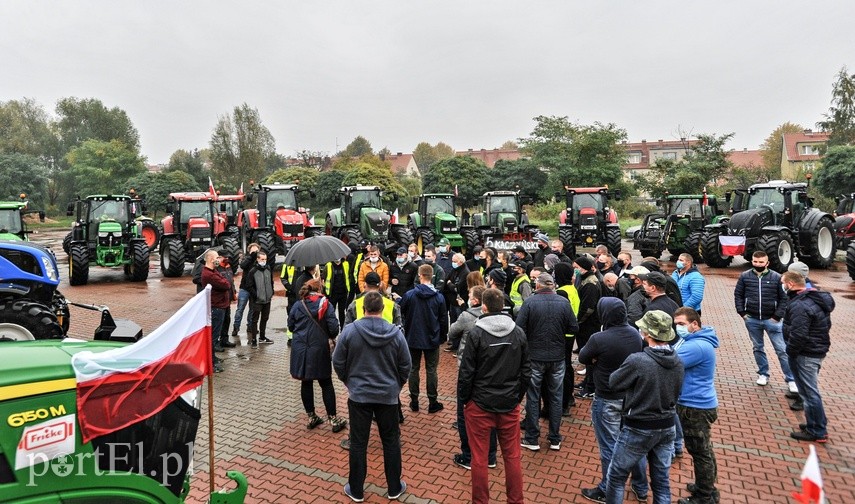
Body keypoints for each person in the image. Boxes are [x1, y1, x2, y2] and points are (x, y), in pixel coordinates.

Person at [333, 291, 411, 502]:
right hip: (387, 396)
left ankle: (356, 490)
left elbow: (338, 361)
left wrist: (348, 381)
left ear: (363, 308)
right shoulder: (395, 333)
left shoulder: (350, 331)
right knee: (391, 442)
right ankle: (394, 487)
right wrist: (397, 386)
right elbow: (406, 365)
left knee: (358, 443)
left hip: (359, 396)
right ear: (383, 309)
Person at [459, 288, 531, 504]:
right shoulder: (518, 332)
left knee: (479, 458)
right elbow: (526, 370)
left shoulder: (476, 333)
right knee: (512, 457)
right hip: (508, 403)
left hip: (480, 404)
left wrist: (466, 400)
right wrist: (517, 397)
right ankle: (515, 500)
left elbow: (466, 372)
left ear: (484, 306)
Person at [606, 310, 684, 504]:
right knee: (661, 480)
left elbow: (614, 382)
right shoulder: (678, 361)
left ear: (649, 333)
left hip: (639, 426)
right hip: (667, 425)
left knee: (616, 476)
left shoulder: (638, 360)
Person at [579, 298, 648, 503]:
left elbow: (583, 357)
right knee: (634, 444)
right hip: (630, 398)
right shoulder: (635, 334)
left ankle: (606, 488)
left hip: (607, 398)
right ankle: (640, 486)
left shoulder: (599, 338)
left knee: (609, 446)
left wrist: (596, 359)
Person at [516, 273, 578, 451]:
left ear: (538, 285)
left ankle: (532, 438)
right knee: (556, 396)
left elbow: (519, 328)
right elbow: (574, 327)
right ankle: (555, 438)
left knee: (533, 397)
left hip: (535, 357)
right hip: (557, 357)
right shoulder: (563, 303)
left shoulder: (530, 302)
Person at [673, 307, 721, 504]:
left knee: (700, 452)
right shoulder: (695, 341)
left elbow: (670, 362)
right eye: (676, 325)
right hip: (697, 403)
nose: (679, 328)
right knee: (704, 450)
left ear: (695, 324)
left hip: (694, 406)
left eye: (682, 324)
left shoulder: (696, 346)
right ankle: (707, 487)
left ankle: (704, 496)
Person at [781, 271, 834, 443]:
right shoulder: (815, 299)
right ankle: (815, 422)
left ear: (790, 284)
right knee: (806, 391)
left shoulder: (799, 305)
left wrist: (791, 350)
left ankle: (817, 431)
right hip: (815, 349)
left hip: (805, 353)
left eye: (783, 283)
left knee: (809, 393)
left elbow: (799, 333)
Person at [288, 279, 346, 433]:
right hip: (319, 348)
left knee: (305, 382)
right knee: (326, 383)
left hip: (300, 348)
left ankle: (311, 416)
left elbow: (290, 326)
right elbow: (333, 329)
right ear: (320, 289)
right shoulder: (326, 304)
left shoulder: (298, 304)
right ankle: (333, 419)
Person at [450, 286, 498, 470]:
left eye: (469, 296)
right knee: (490, 414)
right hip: (491, 372)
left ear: (477, 301)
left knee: (464, 413)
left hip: (468, 371)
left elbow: (452, 332)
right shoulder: (503, 321)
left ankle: (468, 455)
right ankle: (491, 456)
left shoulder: (467, 317)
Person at [734, 251, 796, 393]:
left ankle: (791, 379)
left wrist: (777, 316)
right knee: (758, 348)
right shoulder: (745, 276)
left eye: (761, 262)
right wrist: (742, 313)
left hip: (772, 320)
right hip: (752, 319)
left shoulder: (776, 277)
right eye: (755, 262)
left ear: (767, 263)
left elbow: (784, 299)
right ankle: (763, 373)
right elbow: (738, 295)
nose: (758, 264)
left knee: (781, 350)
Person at [400, 264, 448, 413]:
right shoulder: (439, 297)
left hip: (413, 337)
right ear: (432, 276)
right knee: (431, 370)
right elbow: (443, 319)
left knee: (413, 369)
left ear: (420, 275)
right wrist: (442, 336)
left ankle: (414, 400)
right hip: (432, 338)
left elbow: (402, 313)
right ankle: (432, 401)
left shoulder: (410, 295)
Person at [574, 255, 601, 395]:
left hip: (588, 325)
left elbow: (588, 308)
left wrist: (578, 321)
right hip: (585, 324)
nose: (575, 271)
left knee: (590, 357)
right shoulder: (585, 280)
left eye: (577, 268)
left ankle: (590, 387)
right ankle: (587, 381)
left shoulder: (590, 283)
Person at [200, 249, 229, 373]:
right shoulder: (209, 275)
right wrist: (225, 281)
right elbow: (225, 284)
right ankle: (211, 363)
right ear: (212, 259)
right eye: (217, 258)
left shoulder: (213, 271)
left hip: (220, 306)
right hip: (216, 308)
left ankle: (213, 358)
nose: (219, 260)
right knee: (213, 337)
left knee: (214, 336)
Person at [244, 250, 275, 348]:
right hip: (257, 300)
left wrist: (271, 292)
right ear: (257, 259)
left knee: (265, 319)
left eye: (265, 259)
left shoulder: (268, 269)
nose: (264, 261)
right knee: (254, 320)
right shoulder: (253, 271)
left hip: (267, 299)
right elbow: (249, 286)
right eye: (262, 259)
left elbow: (271, 281)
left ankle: (262, 337)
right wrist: (256, 295)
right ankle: (253, 339)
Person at [232, 242, 260, 341]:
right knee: (240, 309)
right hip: (244, 288)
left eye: (256, 250)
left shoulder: (258, 260)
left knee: (252, 309)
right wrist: (250, 256)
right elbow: (243, 266)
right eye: (253, 250)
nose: (255, 252)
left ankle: (250, 326)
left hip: (254, 289)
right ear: (249, 251)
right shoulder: (246, 259)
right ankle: (236, 327)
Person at [323, 255, 352, 329]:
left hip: (343, 292)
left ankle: (343, 328)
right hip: (332, 293)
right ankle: (333, 328)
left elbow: (348, 276)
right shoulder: (328, 265)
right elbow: (324, 278)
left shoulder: (346, 264)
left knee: (342, 312)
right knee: (331, 312)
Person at [443, 253, 470, 324]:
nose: (453, 263)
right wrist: (450, 284)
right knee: (452, 323)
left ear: (461, 262)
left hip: (460, 303)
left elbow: (457, 288)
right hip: (452, 302)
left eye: (455, 261)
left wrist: (449, 284)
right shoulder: (454, 269)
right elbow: (446, 279)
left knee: (459, 323)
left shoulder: (465, 272)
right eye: (452, 261)